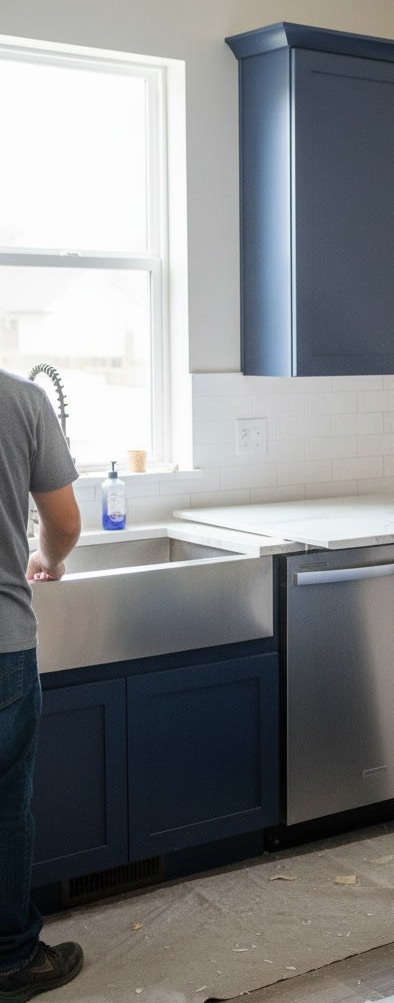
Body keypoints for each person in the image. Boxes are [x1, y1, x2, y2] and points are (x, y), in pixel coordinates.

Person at [0, 368, 84, 1000]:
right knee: (5, 805)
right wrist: (47, 560)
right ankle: (12, 960)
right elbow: (63, 523)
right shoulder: (20, 399)